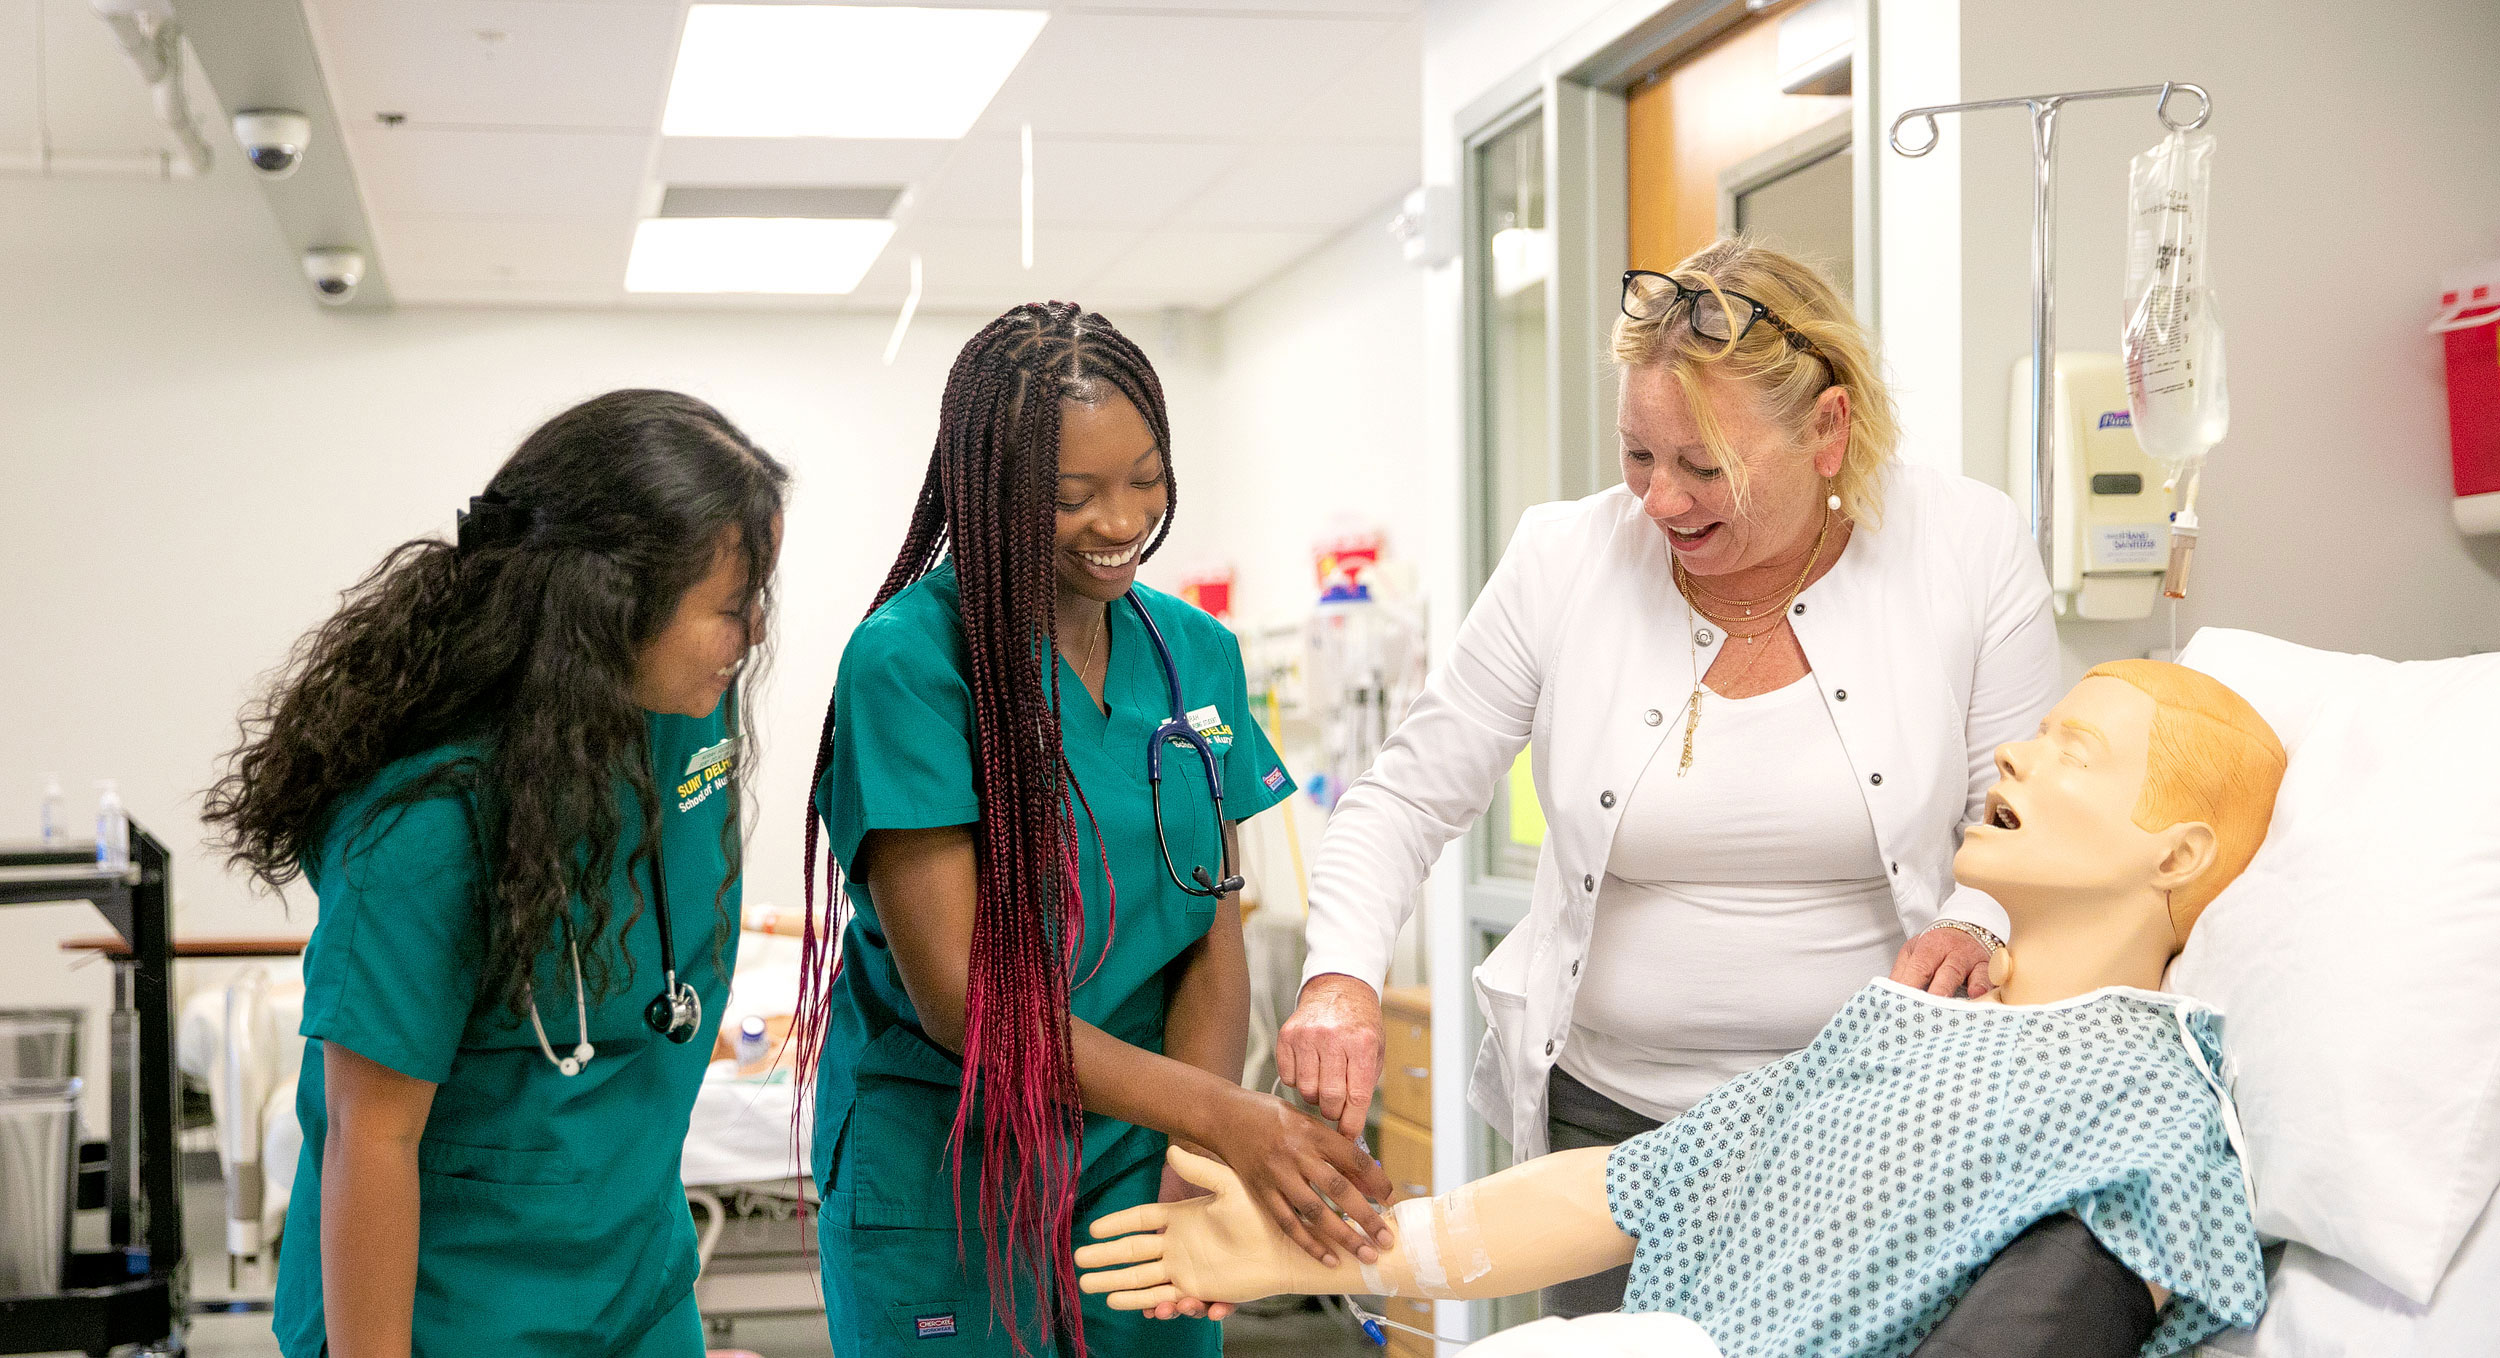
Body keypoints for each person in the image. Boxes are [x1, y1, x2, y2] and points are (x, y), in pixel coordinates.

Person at [1277, 237, 2062, 1314]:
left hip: (1877, 1125)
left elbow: (2026, 820)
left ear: (1828, 429)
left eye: (1706, 468)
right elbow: (1405, 797)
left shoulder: (1962, 545)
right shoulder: (1565, 559)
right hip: (1614, 1132)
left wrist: (1977, 923)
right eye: (1636, 454)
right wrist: (1339, 978)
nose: (1657, 498)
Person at [1078, 660, 2283, 1358]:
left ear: (2174, 854)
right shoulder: (1901, 1022)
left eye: (2073, 751)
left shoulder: (2143, 1088)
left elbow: (2060, 1312)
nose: (2013, 754)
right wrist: (1337, 1242)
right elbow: (1625, 1186)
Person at [798, 302, 1393, 1358]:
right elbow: (962, 1001)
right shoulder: (910, 662)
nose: (1119, 519)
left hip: (1136, 1149)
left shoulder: (1193, 653)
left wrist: (1187, 1143)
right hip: (948, 1161)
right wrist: (1225, 1116)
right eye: (1069, 496)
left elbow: (1210, 932)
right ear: (989, 494)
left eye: (1145, 478)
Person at [200, 390, 789, 1357]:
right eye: (731, 607)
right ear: (610, 607)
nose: (756, 633)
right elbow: (368, 1140)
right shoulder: (425, 828)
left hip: (633, 1283)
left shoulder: (686, 718)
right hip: (444, 1313)